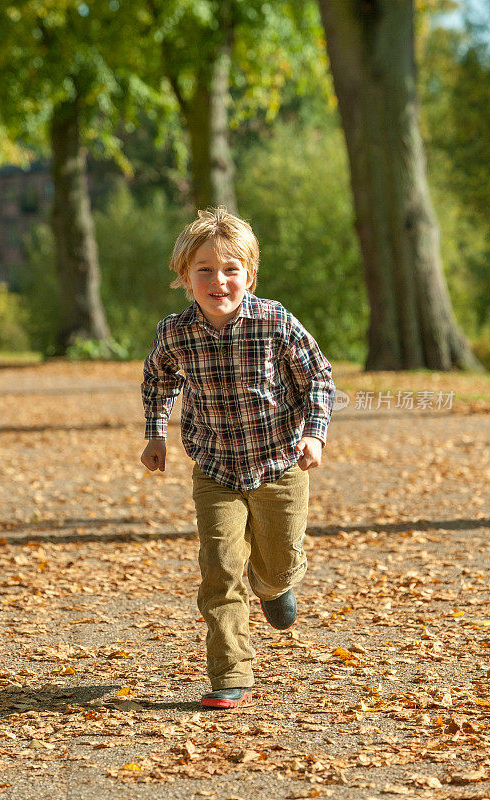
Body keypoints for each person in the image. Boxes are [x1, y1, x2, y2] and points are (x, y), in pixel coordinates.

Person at [141, 207, 335, 709]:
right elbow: (159, 382)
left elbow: (317, 378)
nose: (218, 280)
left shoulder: (275, 321)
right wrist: (156, 434)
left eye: (231, 269)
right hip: (215, 469)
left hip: (279, 462)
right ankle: (232, 673)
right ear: (185, 277)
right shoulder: (175, 333)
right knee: (220, 570)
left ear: (249, 274)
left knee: (278, 557)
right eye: (204, 269)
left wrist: (314, 434)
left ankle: (273, 584)